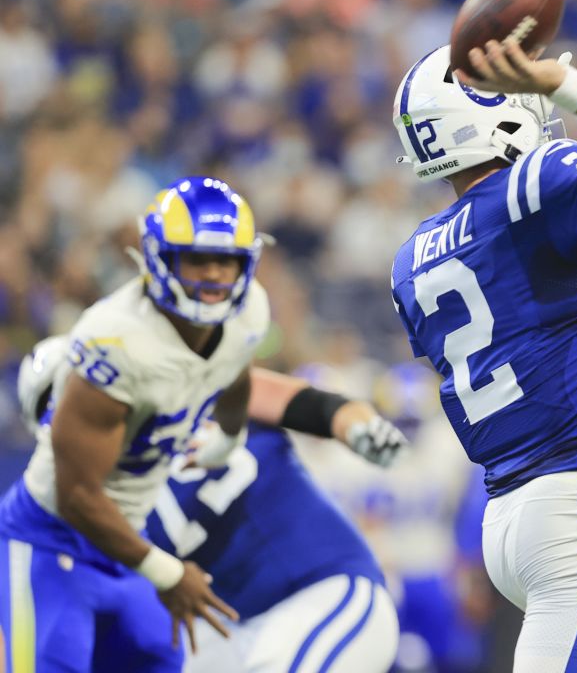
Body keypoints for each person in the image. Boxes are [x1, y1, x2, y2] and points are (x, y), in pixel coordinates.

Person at [388, 37, 577, 671]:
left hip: (515, 513)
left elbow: (512, 313)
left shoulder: (412, 258)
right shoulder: (530, 184)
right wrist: (566, 83)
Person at [0, 177, 269, 671]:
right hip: (50, 541)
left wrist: (227, 440)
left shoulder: (248, 314)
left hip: (127, 543)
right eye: (196, 260)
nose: (213, 276)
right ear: (158, 259)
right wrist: (168, 572)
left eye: (225, 261)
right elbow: (76, 496)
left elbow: (233, 368)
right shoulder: (116, 341)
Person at [19, 338, 409, 672]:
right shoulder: (85, 505)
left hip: (323, 587)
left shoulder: (194, 391)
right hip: (228, 631)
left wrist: (356, 425)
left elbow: (311, 405)